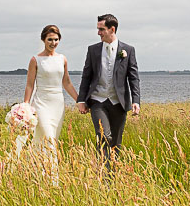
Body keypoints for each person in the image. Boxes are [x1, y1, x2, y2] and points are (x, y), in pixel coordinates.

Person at [76, 14, 141, 176]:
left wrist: (136, 101)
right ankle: (103, 174)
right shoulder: (93, 50)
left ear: (112, 29)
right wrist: (81, 100)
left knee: (116, 142)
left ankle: (112, 175)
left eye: (101, 29)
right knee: (104, 135)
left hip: (119, 102)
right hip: (98, 101)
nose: (98, 33)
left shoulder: (128, 50)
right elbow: (86, 76)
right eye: (98, 29)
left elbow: (133, 77)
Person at [19, 25, 79, 183]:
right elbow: (30, 85)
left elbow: (66, 83)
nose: (53, 42)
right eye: (50, 39)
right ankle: (53, 180)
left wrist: (79, 100)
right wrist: (26, 105)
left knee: (49, 141)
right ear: (43, 40)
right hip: (41, 103)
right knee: (49, 138)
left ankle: (36, 172)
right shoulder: (35, 60)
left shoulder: (62, 59)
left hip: (57, 104)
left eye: (56, 39)